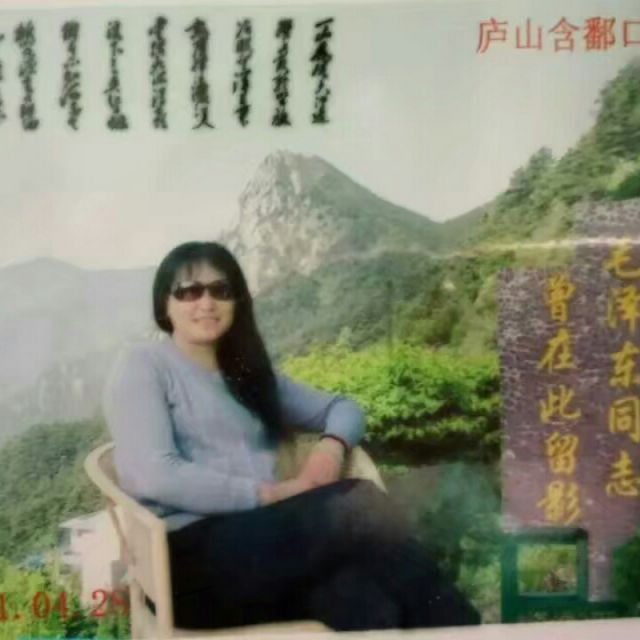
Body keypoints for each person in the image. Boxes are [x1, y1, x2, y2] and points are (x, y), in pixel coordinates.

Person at [103, 241, 481, 631]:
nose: (207, 302)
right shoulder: (144, 365)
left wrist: (330, 449)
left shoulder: (249, 377)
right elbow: (154, 474)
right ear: (165, 305)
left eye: (221, 289)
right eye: (189, 291)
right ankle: (473, 631)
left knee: (365, 601)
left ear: (237, 300)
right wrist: (269, 494)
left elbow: (344, 408)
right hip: (185, 567)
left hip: (269, 551)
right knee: (358, 505)